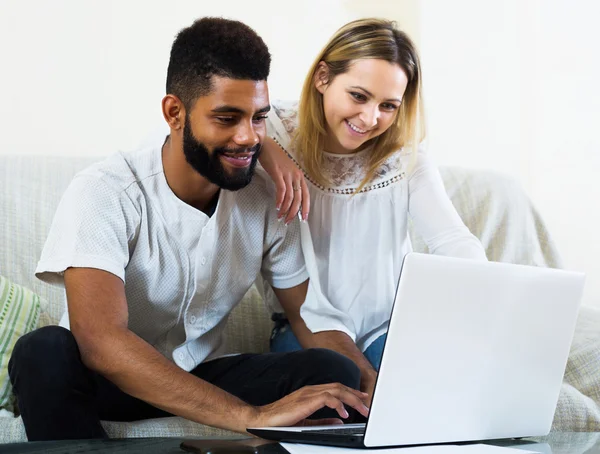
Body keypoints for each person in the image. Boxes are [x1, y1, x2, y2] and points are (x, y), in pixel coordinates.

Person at [7, 17, 369, 442]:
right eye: (227, 118)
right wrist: (250, 415)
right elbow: (101, 341)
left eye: (258, 119)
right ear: (174, 113)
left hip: (200, 374)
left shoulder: (266, 197)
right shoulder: (105, 191)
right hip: (103, 380)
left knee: (335, 375)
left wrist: (369, 377)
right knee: (41, 350)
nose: (248, 136)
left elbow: (308, 316)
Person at [257, 18, 488, 406]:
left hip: (389, 329)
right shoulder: (271, 129)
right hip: (305, 330)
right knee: (338, 381)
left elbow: (452, 240)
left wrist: (490, 291)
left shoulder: (405, 159)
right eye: (359, 96)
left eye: (388, 106)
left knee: (430, 391)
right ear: (322, 77)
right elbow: (215, 127)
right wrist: (267, 150)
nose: (370, 119)